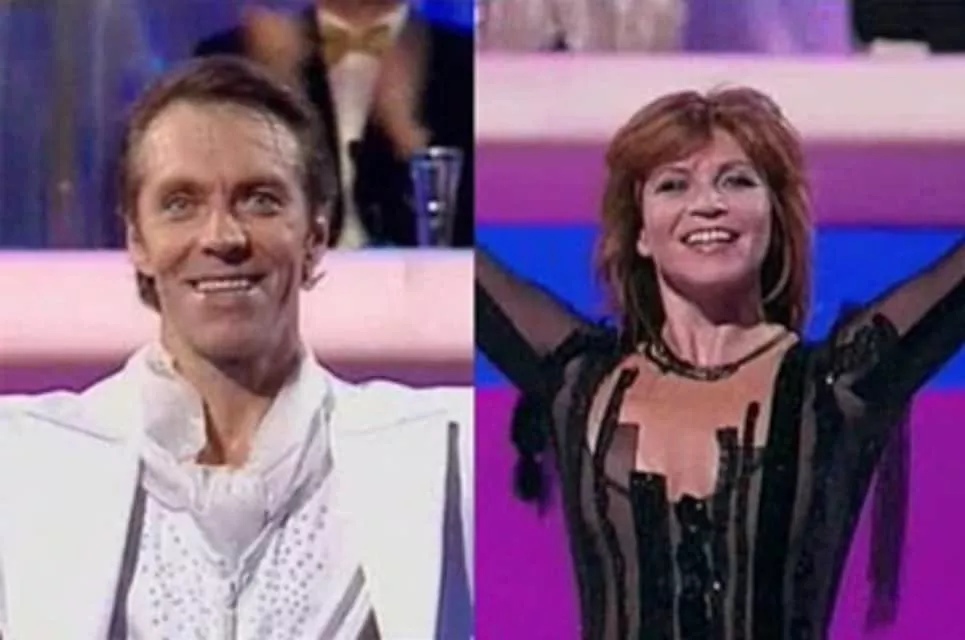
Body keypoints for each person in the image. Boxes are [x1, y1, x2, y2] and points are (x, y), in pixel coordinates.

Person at [0, 56, 472, 639]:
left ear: (315, 236)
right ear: (137, 240)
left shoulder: (442, 451)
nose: (222, 236)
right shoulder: (23, 462)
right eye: (180, 202)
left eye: (260, 199)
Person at [476, 87, 965, 639]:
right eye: (673, 185)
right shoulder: (581, 379)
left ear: (773, 217)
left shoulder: (835, 387)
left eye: (736, 181)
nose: (707, 203)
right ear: (640, 232)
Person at [194, 0, 474, 249]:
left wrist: (406, 133)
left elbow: (474, 236)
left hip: (419, 281)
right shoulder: (234, 58)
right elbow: (208, 199)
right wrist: (281, 94)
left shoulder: (466, 62)